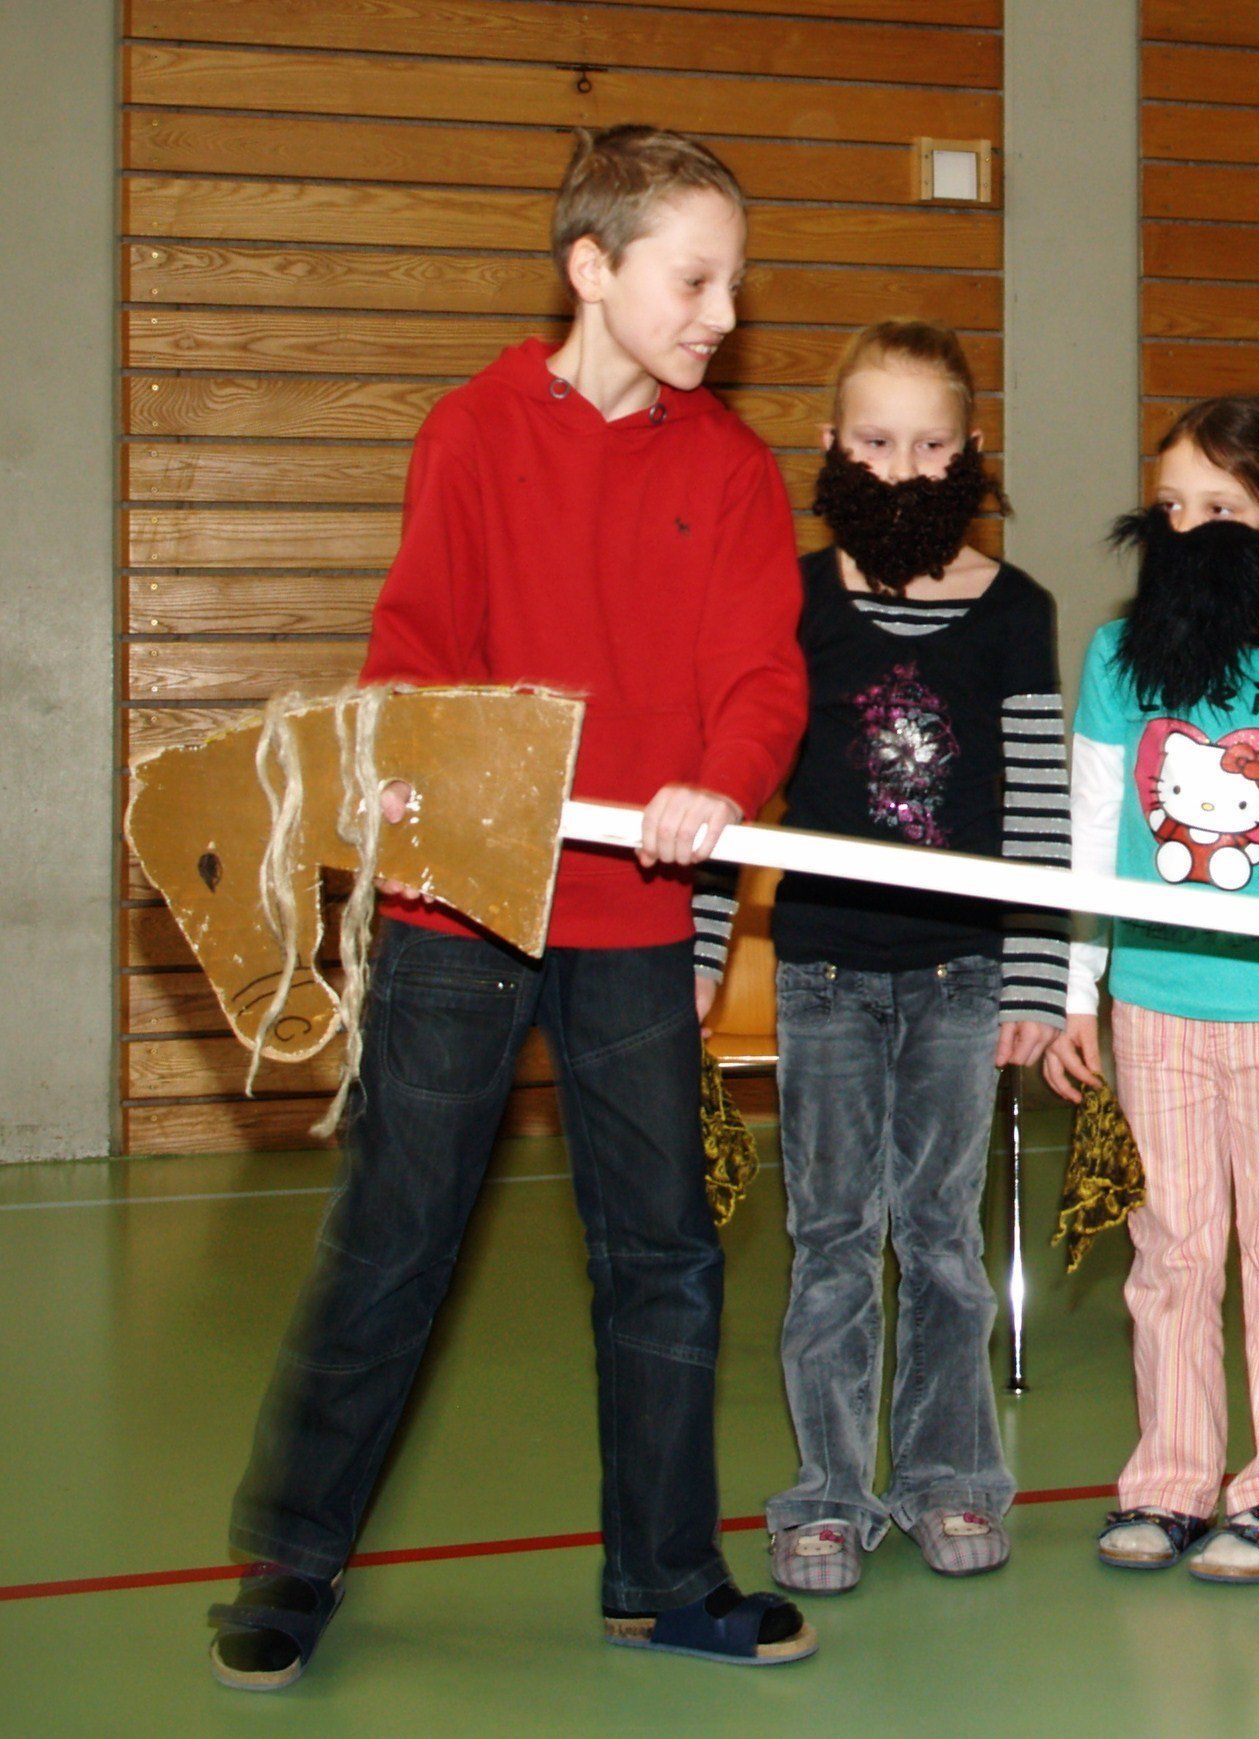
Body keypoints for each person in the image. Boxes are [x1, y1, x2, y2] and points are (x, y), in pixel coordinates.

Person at [208, 125, 813, 1689]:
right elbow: (414, 648)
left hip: (631, 918)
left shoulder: (731, 471)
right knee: (395, 1234)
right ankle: (292, 1556)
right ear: (591, 267)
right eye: (695, 279)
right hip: (463, 913)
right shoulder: (471, 434)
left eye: (733, 283)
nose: (723, 314)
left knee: (663, 1249)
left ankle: (663, 1574)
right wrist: (416, 779)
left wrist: (719, 785)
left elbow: (761, 673)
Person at [693, 321, 1065, 1593]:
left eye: (930, 445)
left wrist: (1036, 973)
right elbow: (730, 785)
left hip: (962, 976)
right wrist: (701, 948)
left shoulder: (1016, 611)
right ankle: (826, 1491)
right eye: (875, 441)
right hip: (825, 973)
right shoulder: (787, 600)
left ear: (970, 451)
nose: (903, 468)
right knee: (834, 1237)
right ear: (831, 445)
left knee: (946, 1239)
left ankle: (951, 1475)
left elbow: (1037, 808)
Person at [1041, 395, 1259, 1583]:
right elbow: (1091, 832)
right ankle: (1173, 1479)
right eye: (1170, 506)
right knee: (1171, 1253)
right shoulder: (1115, 659)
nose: (1187, 531)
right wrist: (1077, 990)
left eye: (1221, 509)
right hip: (1153, 1006)